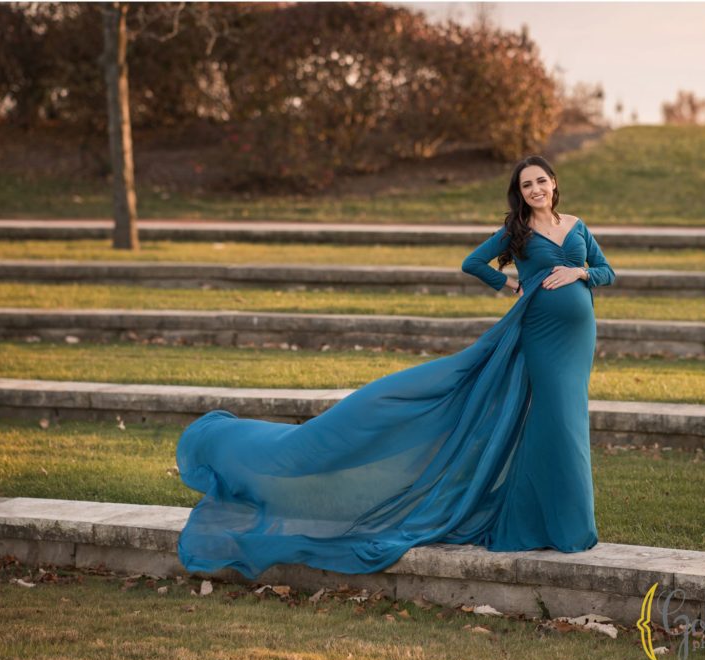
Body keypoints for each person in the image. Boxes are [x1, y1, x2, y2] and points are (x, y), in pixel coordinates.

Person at [176, 155, 616, 580]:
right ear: (519, 193)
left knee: (567, 422)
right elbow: (472, 263)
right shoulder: (516, 231)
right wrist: (511, 282)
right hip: (538, 335)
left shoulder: (576, 225)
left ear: (554, 183)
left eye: (541, 181)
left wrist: (580, 274)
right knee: (558, 422)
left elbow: (606, 270)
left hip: (578, 339)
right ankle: (559, 527)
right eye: (527, 184)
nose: (536, 189)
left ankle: (563, 525)